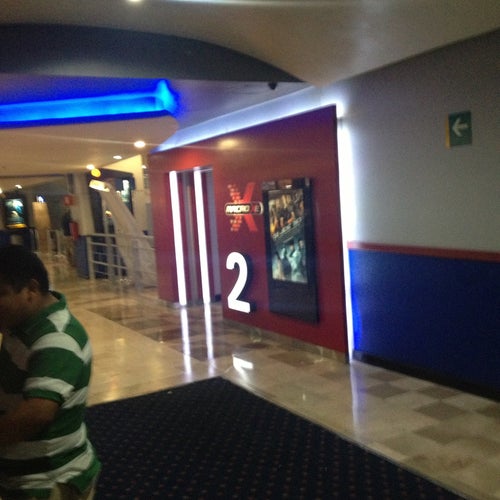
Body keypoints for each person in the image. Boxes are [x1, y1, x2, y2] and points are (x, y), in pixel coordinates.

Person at [0, 245, 100, 499]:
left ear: (31, 289)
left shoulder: (57, 339)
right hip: (23, 472)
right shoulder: (19, 322)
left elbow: (36, 415)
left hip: (48, 480)